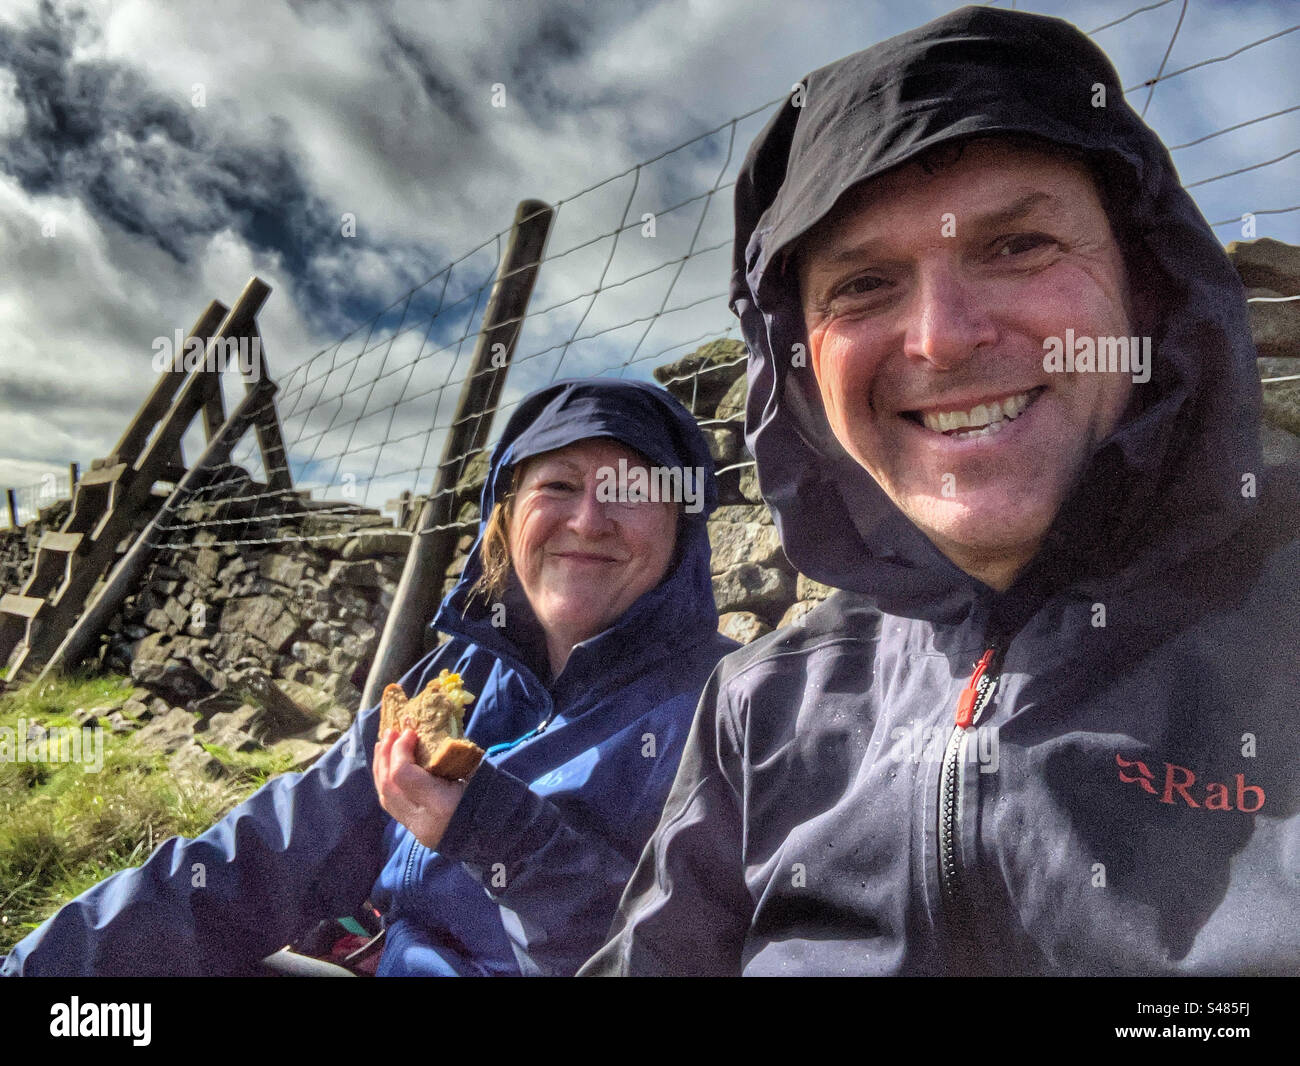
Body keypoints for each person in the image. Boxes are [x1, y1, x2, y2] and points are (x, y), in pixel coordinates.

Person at [583, 6, 1300, 976]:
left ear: (1145, 287)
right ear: (798, 371)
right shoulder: (761, 704)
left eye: (1017, 246)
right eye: (863, 283)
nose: (940, 336)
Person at [1, 378, 736, 976]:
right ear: (506, 518)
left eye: (631, 489)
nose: (589, 519)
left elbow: (688, 958)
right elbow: (276, 844)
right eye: (559, 485)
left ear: (683, 526)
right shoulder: (462, 674)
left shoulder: (733, 707)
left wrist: (503, 836)